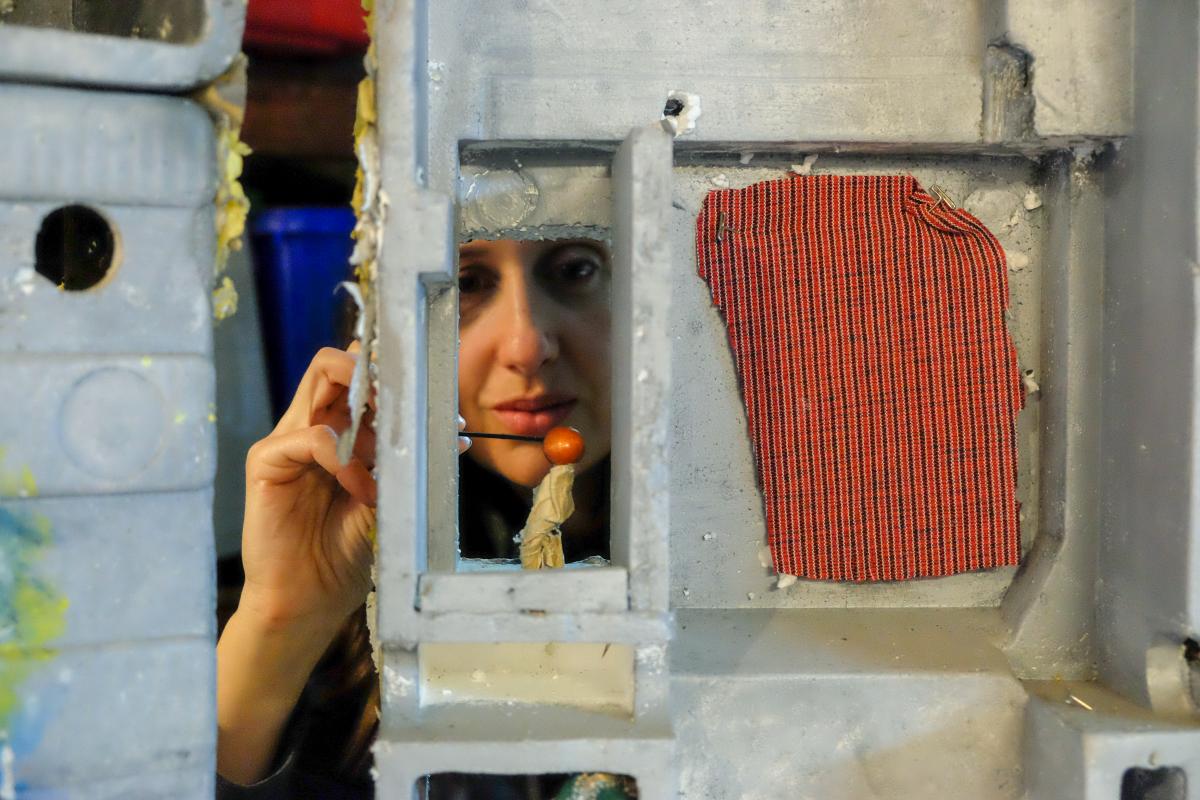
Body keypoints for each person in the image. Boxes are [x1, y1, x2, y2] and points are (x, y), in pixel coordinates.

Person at [216, 237, 613, 798]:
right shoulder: (332, 602)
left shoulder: (762, 567)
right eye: (468, 282)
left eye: (576, 269)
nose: (527, 345)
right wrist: (284, 619)